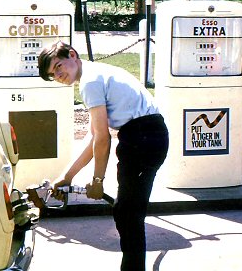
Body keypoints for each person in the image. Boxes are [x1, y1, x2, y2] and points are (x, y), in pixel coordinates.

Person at [37, 40, 169, 271]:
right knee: (128, 212)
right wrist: (67, 176)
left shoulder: (89, 82)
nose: (58, 75)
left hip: (142, 138)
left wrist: (98, 181)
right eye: (52, 74)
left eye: (59, 66)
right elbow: (94, 138)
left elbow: (103, 139)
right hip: (149, 135)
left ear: (72, 54)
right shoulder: (96, 73)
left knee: (128, 215)